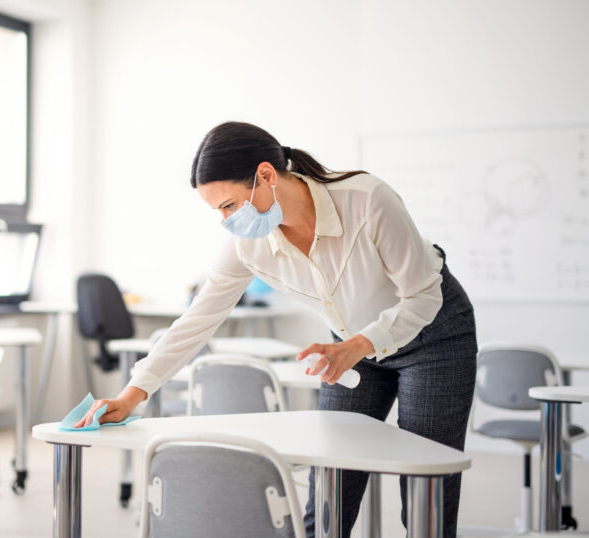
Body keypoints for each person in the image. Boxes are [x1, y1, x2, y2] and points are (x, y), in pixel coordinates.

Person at [75, 121, 477, 538]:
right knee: (327, 496)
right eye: (218, 211)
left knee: (426, 492)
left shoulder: (367, 200)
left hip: (434, 336)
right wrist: (132, 394)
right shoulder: (247, 245)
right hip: (351, 343)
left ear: (266, 175)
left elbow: (423, 298)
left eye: (230, 205)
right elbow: (198, 320)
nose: (227, 221)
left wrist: (359, 344)